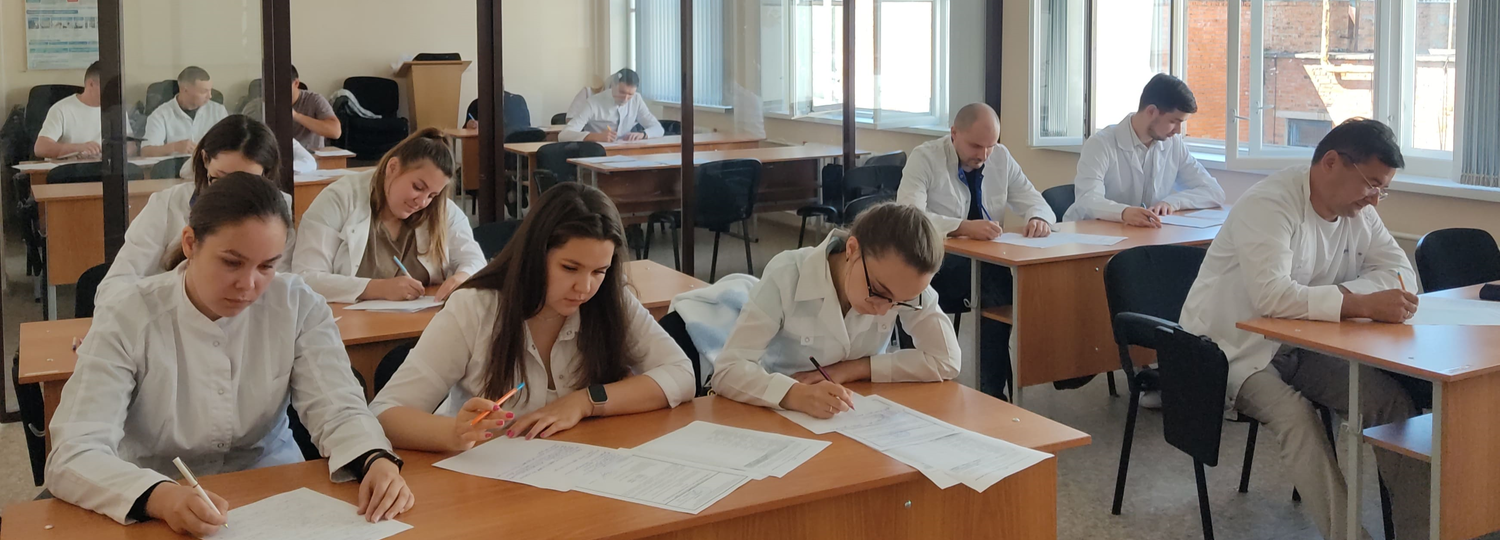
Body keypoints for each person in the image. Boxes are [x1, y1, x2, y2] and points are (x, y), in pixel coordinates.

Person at [46, 173, 413, 536]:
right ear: (190, 243)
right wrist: (161, 498)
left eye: (267, 266)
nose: (248, 285)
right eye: (232, 262)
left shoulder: (298, 305)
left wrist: (373, 458)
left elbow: (338, 407)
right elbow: (74, 451)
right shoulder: (128, 314)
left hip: (275, 489)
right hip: (153, 494)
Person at [1180, 118, 1427, 540]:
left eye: (1382, 189)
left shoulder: (1359, 213)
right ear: (1331, 162)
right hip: (1231, 349)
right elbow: (1272, 297)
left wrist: (1342, 298)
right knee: (1298, 419)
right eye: (1371, 184)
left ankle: (1423, 531)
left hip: (1303, 342)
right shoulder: (1270, 204)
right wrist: (1359, 302)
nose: (1375, 200)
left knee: (1390, 405)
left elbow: (1402, 275)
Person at [369, 182, 695, 450]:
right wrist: (453, 432)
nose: (585, 287)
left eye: (600, 271)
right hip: (489, 482)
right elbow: (384, 414)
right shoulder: (474, 308)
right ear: (535, 255)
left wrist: (585, 402)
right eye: (570, 268)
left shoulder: (610, 299)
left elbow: (681, 374)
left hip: (580, 469)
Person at [711, 203, 960, 418]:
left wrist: (853, 369)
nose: (883, 310)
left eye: (899, 302)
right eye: (877, 291)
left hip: (857, 411)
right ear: (852, 249)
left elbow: (946, 360)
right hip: (776, 413)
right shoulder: (787, 275)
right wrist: (794, 394)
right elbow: (727, 370)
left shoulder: (905, 284)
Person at [896, 102, 1055, 399]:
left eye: (990, 146)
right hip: (932, 266)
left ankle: (992, 393)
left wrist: (1038, 218)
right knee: (994, 281)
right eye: (975, 146)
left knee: (999, 285)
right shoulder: (925, 157)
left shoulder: (1001, 157)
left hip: (983, 265)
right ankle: (932, 388)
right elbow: (908, 216)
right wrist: (961, 226)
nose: (983, 155)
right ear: (953, 133)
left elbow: (1036, 201)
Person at [98, 115, 293, 301]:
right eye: (220, 179)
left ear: (266, 175)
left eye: (247, 182)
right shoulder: (168, 204)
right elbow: (113, 290)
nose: (231, 193)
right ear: (205, 160)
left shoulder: (276, 212)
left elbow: (281, 288)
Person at [293, 127, 485, 303]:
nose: (422, 202)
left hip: (420, 322)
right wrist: (378, 288)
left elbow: (475, 261)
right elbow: (306, 277)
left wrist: (463, 277)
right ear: (392, 167)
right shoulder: (339, 199)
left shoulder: (441, 209)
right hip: (349, 325)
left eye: (432, 195)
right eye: (418, 187)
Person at [1064, 73, 1225, 226]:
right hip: (1092, 233)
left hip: (1142, 235)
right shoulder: (1100, 144)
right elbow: (1087, 200)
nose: (1178, 130)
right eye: (1173, 121)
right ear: (1151, 111)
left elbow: (1214, 192)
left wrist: (1172, 203)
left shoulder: (1174, 144)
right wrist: (1123, 212)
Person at [242, 65, 340, 150]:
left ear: (296, 83)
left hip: (309, 157)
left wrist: (296, 116)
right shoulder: (254, 106)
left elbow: (335, 132)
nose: (276, 90)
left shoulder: (314, 100)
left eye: (281, 85)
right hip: (270, 157)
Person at [140, 66, 229, 157]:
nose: (210, 96)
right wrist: (174, 147)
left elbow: (231, 144)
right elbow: (146, 152)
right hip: (176, 165)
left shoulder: (218, 111)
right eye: (204, 92)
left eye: (210, 91)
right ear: (185, 90)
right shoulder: (161, 115)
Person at [559, 68, 663, 143]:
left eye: (630, 94)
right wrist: (595, 136)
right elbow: (564, 135)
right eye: (622, 92)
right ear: (613, 85)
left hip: (627, 150)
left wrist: (643, 134)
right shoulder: (593, 102)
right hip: (598, 152)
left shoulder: (637, 99)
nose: (625, 98)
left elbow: (658, 128)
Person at [33, 61, 102, 159]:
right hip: (68, 168)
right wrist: (78, 148)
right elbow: (41, 148)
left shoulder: (117, 110)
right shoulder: (61, 109)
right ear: (91, 84)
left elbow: (125, 146)